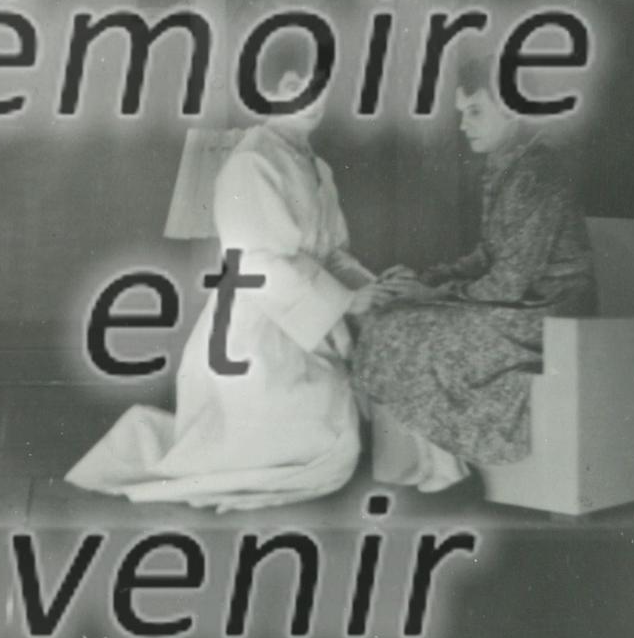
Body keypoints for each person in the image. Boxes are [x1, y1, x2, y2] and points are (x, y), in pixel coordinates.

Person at [65, 54, 400, 511]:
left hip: (304, 318)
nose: (310, 99)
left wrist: (369, 289)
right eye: (293, 86)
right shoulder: (251, 161)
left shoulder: (318, 168)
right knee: (323, 442)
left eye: (318, 88)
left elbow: (332, 252)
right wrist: (343, 302)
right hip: (254, 327)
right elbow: (259, 261)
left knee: (337, 431)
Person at [352, 53, 596, 478]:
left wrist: (431, 294)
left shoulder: (538, 173)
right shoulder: (507, 165)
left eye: (476, 111)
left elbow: (510, 281)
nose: (464, 124)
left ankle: (434, 473)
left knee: (406, 327)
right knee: (389, 317)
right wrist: (425, 279)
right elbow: (488, 255)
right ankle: (417, 471)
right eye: (462, 113)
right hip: (516, 307)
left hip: (549, 316)